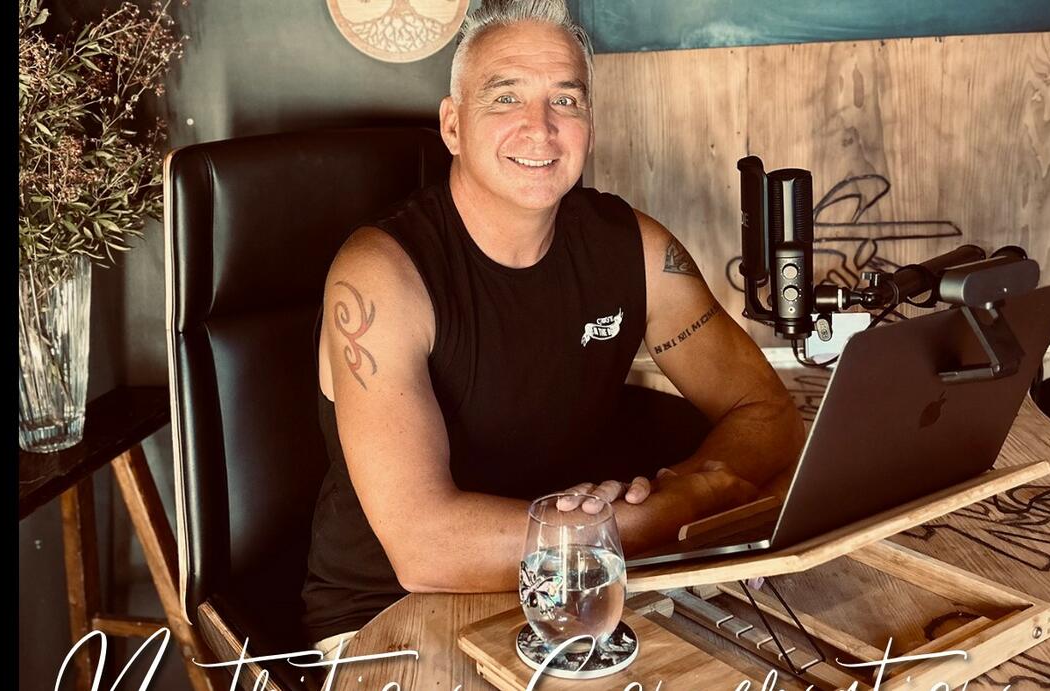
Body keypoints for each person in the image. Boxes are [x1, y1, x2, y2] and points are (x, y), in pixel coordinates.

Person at [301, 0, 805, 656]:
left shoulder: (636, 249)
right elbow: (426, 549)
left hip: (579, 587)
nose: (539, 128)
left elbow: (766, 410)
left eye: (565, 101)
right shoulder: (380, 275)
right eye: (505, 97)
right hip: (391, 613)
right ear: (452, 125)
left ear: (588, 124)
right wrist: (675, 510)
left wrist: (700, 482)